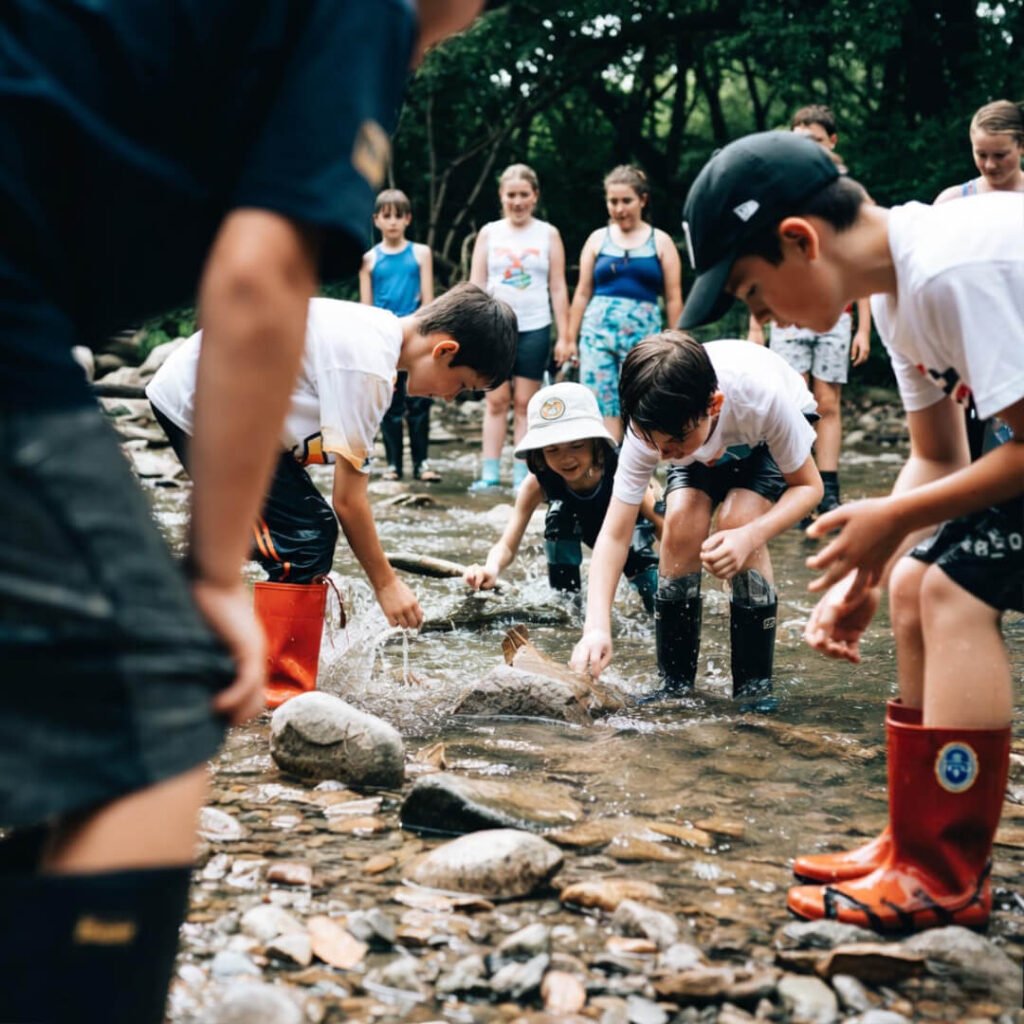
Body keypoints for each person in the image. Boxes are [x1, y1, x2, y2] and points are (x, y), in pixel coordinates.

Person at [0, 3, 483, 1019]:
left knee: (86, 694)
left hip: (38, 315)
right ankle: (282, 693)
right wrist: (214, 575)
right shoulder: (362, 15)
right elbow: (256, 284)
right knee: (156, 701)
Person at [677, 129, 1024, 931]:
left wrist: (890, 522)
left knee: (952, 593)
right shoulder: (903, 295)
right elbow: (937, 459)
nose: (761, 316)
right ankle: (915, 842)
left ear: (800, 242)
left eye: (757, 297)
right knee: (912, 584)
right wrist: (866, 571)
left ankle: (946, 876)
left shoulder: (951, 266)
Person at [149, 284, 516, 708]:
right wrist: (387, 584)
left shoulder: (375, 338)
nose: (452, 397)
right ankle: (279, 693)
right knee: (305, 536)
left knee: (289, 531)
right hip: (205, 404)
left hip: (223, 400)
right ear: (444, 351)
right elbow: (348, 501)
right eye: (463, 385)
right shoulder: (369, 370)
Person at [569, 332, 822, 701]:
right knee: (681, 523)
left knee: (737, 520)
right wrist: (595, 627)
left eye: (673, 442)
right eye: (654, 442)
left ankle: (753, 688)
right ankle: (675, 685)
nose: (664, 453)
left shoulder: (762, 398)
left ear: (713, 405)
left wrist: (750, 536)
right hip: (704, 445)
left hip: (765, 439)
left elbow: (809, 488)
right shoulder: (650, 429)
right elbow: (615, 533)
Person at [748, 107, 871, 520]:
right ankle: (799, 485)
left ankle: (830, 487)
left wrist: (864, 330)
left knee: (828, 401)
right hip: (788, 312)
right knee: (795, 400)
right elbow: (762, 264)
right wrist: (756, 324)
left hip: (839, 312)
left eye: (816, 140)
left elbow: (860, 261)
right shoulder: (782, 195)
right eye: (800, 140)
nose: (808, 148)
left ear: (832, 142)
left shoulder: (847, 194)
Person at [464, 382, 661, 611]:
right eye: (552, 450)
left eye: (576, 446)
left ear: (595, 443)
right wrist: (490, 569)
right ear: (539, 453)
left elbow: (665, 526)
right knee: (558, 517)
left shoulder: (624, 471)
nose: (566, 459)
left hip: (629, 536)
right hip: (576, 531)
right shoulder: (538, 483)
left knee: (659, 602)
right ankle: (567, 604)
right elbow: (507, 545)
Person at [469, 163, 570, 491]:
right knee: (496, 401)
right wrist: (471, 329)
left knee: (526, 403)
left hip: (535, 326)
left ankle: (521, 475)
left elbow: (557, 287)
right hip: (494, 328)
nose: (517, 201)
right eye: (511, 195)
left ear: (535, 196)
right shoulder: (489, 233)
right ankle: (489, 473)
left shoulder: (549, 233)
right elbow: (476, 284)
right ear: (501, 196)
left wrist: (565, 335)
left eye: (523, 194)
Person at [566, 165, 684, 442]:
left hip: (643, 336)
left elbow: (673, 296)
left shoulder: (661, 242)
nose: (619, 208)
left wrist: (676, 338)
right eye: (613, 201)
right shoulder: (597, 240)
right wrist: (569, 338)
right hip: (598, 334)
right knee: (602, 403)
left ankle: (637, 474)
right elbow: (582, 292)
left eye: (626, 201)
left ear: (642, 200)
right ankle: (610, 472)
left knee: (640, 401)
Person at [359, 188, 441, 483]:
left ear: (408, 219)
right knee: (389, 404)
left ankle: (423, 463)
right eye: (386, 216)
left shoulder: (420, 253)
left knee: (419, 401)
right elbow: (365, 306)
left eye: (398, 216)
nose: (392, 222)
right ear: (377, 220)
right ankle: (394, 465)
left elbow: (429, 301)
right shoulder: (368, 259)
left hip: (416, 335)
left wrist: (428, 337)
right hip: (383, 339)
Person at [934, 99, 1024, 204]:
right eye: (982, 155)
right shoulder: (951, 201)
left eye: (999, 155)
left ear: (1021, 146)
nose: (990, 165)